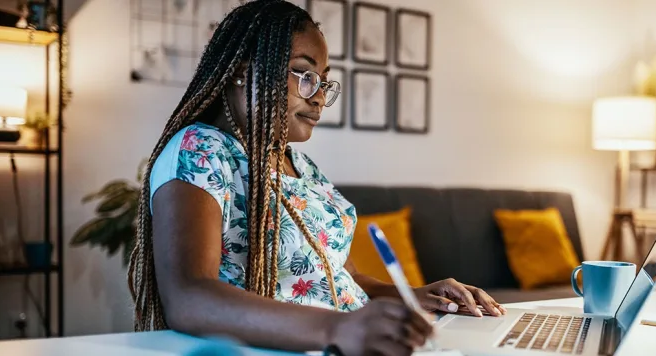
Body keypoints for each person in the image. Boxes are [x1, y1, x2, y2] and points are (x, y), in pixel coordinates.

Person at [128, 1, 506, 355]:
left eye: (324, 81)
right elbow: (189, 297)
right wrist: (336, 330)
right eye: (305, 75)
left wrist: (413, 295)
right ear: (244, 70)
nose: (319, 97)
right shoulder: (200, 150)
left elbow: (340, 274)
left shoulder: (301, 166)